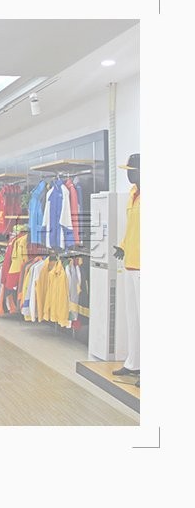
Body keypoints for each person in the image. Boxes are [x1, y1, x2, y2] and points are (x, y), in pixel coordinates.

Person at [113, 154, 140, 379]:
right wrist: (123, 246)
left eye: (132, 170)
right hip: (130, 262)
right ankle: (134, 363)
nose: (129, 175)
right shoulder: (132, 194)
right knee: (132, 317)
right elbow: (132, 228)